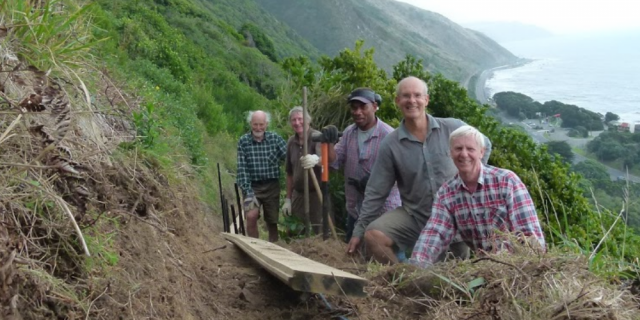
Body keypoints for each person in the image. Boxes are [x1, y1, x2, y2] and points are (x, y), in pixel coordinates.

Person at [346, 76, 492, 264]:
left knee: (453, 274)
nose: (412, 100)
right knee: (374, 236)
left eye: (417, 95)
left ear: (426, 100)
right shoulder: (391, 144)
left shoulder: (452, 128)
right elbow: (376, 191)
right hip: (416, 216)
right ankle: (404, 280)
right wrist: (359, 231)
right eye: (406, 96)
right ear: (398, 101)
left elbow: (484, 143)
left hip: (456, 217)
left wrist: (474, 178)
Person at [410, 125, 546, 267]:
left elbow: (529, 233)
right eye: (458, 149)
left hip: (517, 266)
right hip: (484, 268)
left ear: (481, 152)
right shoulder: (446, 194)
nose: (463, 154)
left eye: (470, 149)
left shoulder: (507, 181)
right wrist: (415, 267)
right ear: (450, 153)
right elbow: (435, 233)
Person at [325, 88, 402, 242]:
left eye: (363, 107)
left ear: (374, 106)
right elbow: (334, 162)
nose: (358, 112)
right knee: (353, 258)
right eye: (354, 107)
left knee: (382, 254)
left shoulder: (389, 135)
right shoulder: (349, 133)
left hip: (383, 211)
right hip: (355, 209)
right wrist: (328, 143)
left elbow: (402, 173)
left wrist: (376, 182)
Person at [236, 110, 287, 242]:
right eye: (255, 124)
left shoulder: (275, 139)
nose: (258, 128)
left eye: (261, 124)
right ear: (250, 124)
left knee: (272, 221)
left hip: (272, 186)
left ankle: (273, 249)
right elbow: (242, 169)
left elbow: (289, 156)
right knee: (251, 216)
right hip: (252, 186)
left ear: (266, 124)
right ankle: (256, 246)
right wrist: (248, 192)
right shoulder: (244, 141)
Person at [282, 106, 323, 234]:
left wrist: (316, 159)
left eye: (300, 119)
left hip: (316, 194)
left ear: (308, 120)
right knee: (295, 232)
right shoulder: (291, 142)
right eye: (294, 120)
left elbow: (327, 160)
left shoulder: (317, 137)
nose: (297, 122)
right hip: (298, 195)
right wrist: (288, 199)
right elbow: (289, 172)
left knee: (319, 232)